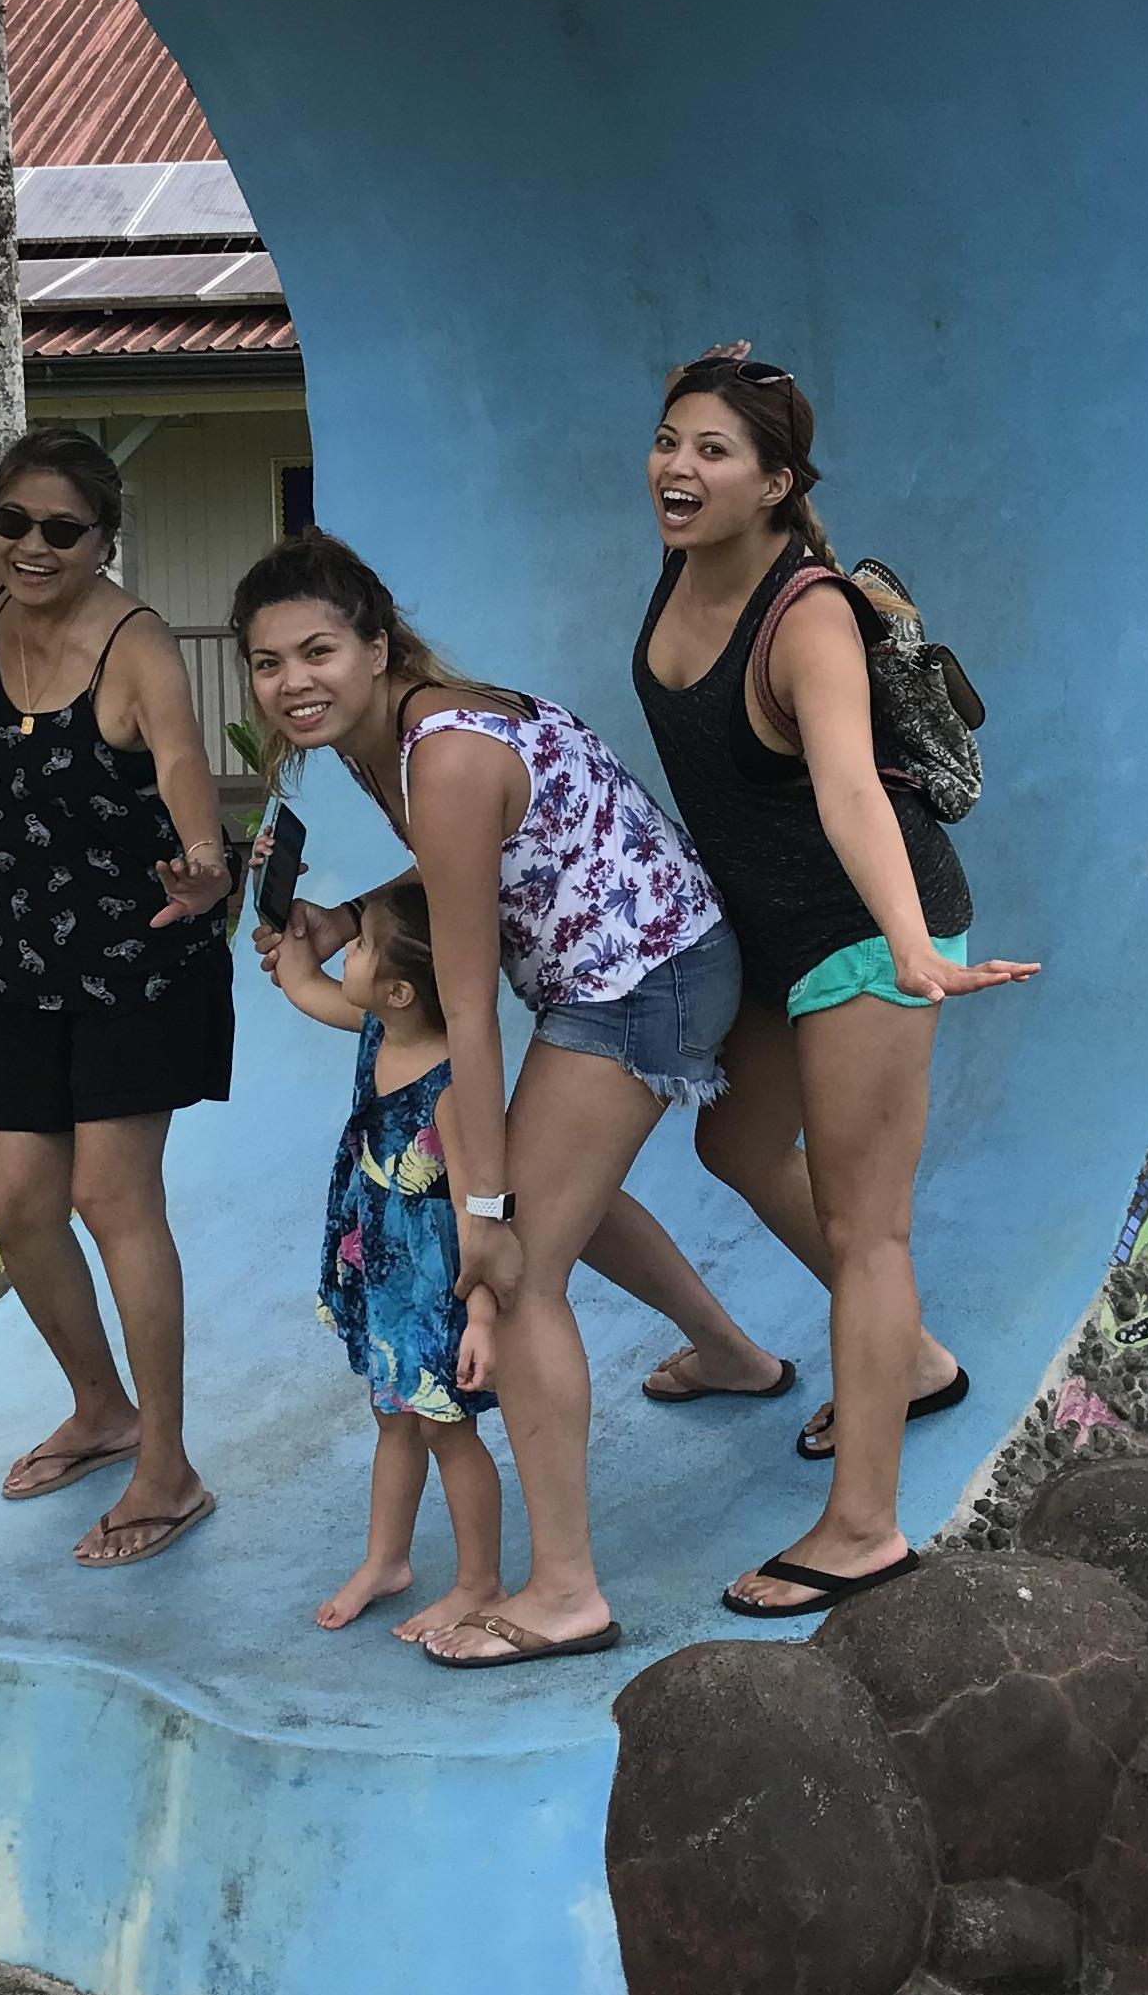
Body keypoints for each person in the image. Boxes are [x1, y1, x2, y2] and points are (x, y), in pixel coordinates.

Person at [233, 531, 785, 1669]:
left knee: (519, 1258)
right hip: (652, 951)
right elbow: (461, 863)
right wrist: (345, 919)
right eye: (268, 661)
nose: (294, 682)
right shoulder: (384, 735)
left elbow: (472, 1015)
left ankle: (568, 1591)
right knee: (552, 1195)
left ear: (377, 648)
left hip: (643, 978)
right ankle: (732, 1354)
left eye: (319, 651)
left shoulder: (439, 754)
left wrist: (480, 1206)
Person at [633, 344, 1039, 1616]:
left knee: (871, 1230)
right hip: (766, 932)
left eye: (713, 450)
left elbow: (852, 786)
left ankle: (863, 1529)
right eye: (669, 440)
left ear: (776, 485)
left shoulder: (806, 613)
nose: (678, 467)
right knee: (739, 1147)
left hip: (867, 931)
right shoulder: (685, 565)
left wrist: (912, 944)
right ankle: (910, 1365)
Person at [0, 430, 238, 1568]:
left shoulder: (138, 644)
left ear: (105, 538)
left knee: (117, 1199)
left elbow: (183, 767)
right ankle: (100, 1407)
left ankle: (168, 1466)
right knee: (20, 1203)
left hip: (138, 958)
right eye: (10, 520)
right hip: (20, 962)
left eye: (61, 529)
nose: (30, 545)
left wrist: (208, 858)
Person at [256, 878, 511, 1645]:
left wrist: (484, 1317)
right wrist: (285, 922)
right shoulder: (381, 1029)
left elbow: (481, 1212)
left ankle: (479, 1581)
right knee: (389, 1416)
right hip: (379, 1268)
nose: (348, 951)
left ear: (399, 990)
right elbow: (302, 985)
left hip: (437, 1287)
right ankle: (386, 1560)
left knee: (444, 1430)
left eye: (359, 945)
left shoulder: (451, 1088)